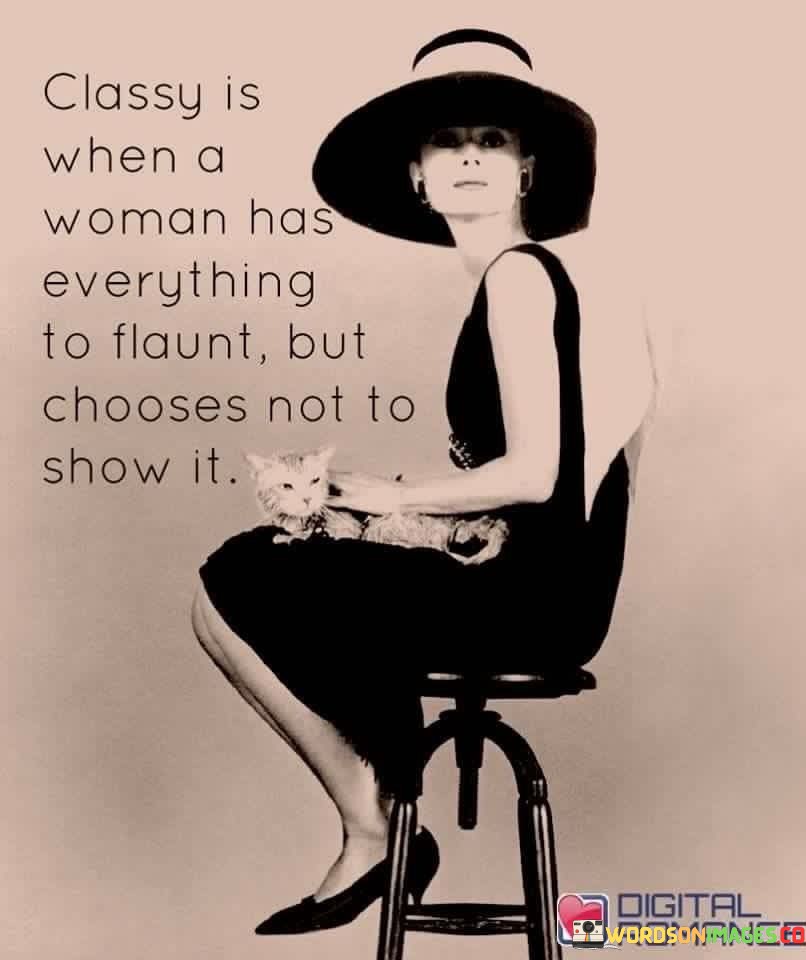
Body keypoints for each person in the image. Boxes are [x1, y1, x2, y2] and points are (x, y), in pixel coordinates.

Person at [191, 28, 662, 936]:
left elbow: (538, 477)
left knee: (232, 578)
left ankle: (374, 828)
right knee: (268, 567)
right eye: (449, 141)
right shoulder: (541, 278)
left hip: (529, 598)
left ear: (527, 170)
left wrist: (388, 497)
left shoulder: (521, 278)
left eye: (494, 140)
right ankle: (381, 815)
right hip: (549, 589)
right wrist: (401, 516)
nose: (471, 158)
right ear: (418, 173)